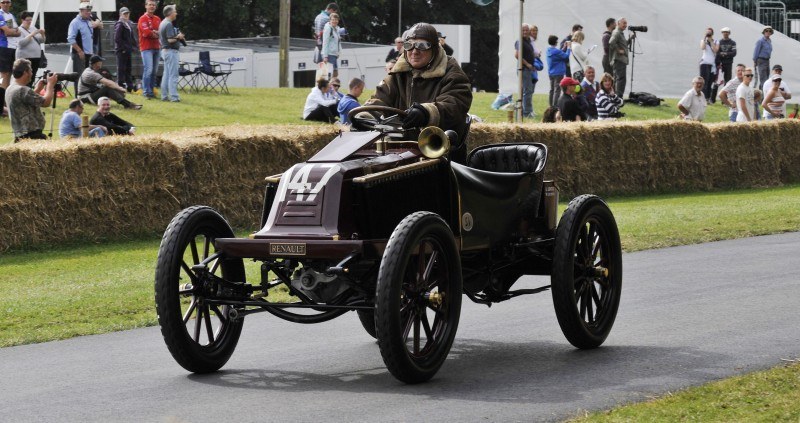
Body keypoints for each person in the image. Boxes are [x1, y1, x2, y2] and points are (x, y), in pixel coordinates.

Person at [365, 22, 472, 162]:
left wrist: (427, 112)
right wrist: (364, 117)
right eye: (409, 45)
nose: (415, 51)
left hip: (441, 155)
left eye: (422, 45)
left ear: (434, 48)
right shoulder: (398, 74)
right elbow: (379, 100)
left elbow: (455, 104)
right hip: (400, 154)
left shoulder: (451, 72)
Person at [5, 58, 56, 141]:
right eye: (31, 71)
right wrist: (50, 85)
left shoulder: (10, 88)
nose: (32, 74)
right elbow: (46, 102)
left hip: (20, 135)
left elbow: (24, 100)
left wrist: (38, 89)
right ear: (25, 72)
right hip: (32, 136)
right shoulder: (23, 90)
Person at [78, 55, 142, 109]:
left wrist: (118, 89)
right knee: (107, 88)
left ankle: (127, 103)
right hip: (85, 99)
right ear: (95, 64)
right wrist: (120, 88)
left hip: (88, 95)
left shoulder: (90, 70)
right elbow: (108, 83)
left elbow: (108, 82)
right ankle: (128, 105)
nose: (101, 64)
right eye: (100, 62)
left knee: (109, 88)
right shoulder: (91, 73)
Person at [67, 3, 97, 95]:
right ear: (81, 11)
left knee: (88, 75)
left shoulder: (89, 21)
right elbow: (70, 39)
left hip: (89, 53)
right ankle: (78, 96)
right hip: (79, 53)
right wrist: (79, 51)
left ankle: (86, 94)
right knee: (79, 75)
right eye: (87, 11)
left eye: (90, 10)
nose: (89, 12)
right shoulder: (75, 22)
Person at [159, 4, 184, 103]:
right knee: (173, 75)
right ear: (170, 13)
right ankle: (174, 97)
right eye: (175, 11)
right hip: (171, 51)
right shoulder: (168, 24)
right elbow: (170, 40)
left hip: (165, 51)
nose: (176, 13)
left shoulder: (162, 22)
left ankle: (164, 96)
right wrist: (179, 37)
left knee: (166, 75)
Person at [138, 0, 161, 99]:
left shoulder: (157, 18)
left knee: (154, 71)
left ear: (155, 7)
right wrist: (155, 33)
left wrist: (155, 33)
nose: (152, 6)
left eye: (153, 5)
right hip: (146, 48)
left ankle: (151, 91)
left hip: (157, 47)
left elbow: (161, 32)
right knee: (148, 70)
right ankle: (146, 91)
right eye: (150, 5)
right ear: (146, 6)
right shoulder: (142, 19)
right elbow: (146, 33)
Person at [0, 0, 21, 115]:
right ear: (0, 4)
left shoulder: (10, 15)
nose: (6, 4)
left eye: (8, 2)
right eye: (3, 2)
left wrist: (12, 31)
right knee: (4, 75)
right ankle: (2, 103)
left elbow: (18, 32)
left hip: (13, 47)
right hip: (4, 47)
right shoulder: (0, 14)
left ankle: (6, 102)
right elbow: (8, 32)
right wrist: (12, 31)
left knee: (11, 75)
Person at [15, 11, 45, 88]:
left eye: (30, 20)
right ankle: (23, 90)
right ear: (22, 20)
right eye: (27, 20)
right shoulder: (19, 30)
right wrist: (31, 35)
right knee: (24, 76)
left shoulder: (33, 28)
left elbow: (42, 40)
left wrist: (42, 33)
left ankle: (29, 90)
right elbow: (21, 43)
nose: (29, 22)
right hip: (25, 57)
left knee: (32, 76)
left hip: (36, 57)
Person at [515, 23, 536, 118]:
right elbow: (517, 55)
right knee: (527, 90)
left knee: (528, 90)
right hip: (523, 69)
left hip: (529, 69)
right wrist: (527, 64)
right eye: (523, 30)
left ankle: (527, 110)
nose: (525, 32)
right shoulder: (520, 41)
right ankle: (527, 113)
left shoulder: (528, 40)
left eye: (526, 30)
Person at [608, 17, 633, 99]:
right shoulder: (617, 32)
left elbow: (624, 44)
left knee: (618, 79)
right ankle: (619, 97)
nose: (625, 25)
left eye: (626, 23)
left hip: (620, 60)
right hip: (619, 59)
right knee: (621, 79)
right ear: (619, 23)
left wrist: (630, 39)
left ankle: (615, 97)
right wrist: (618, 50)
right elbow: (611, 42)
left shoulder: (620, 33)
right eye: (624, 23)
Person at [114, 7, 136, 92]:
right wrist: (123, 48)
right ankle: (120, 86)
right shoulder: (120, 24)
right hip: (122, 50)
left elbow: (131, 37)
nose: (126, 15)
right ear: (120, 14)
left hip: (128, 50)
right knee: (121, 69)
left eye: (127, 13)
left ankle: (129, 87)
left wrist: (134, 46)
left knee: (128, 68)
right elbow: (117, 38)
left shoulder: (128, 23)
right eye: (124, 14)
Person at [546, 34, 570, 106]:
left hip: (551, 73)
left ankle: (551, 105)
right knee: (557, 90)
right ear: (556, 42)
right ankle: (555, 105)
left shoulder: (548, 50)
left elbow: (559, 53)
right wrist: (568, 48)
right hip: (558, 72)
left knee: (552, 90)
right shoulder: (556, 51)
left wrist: (564, 47)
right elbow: (566, 56)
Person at [698, 28, 719, 103]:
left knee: (710, 81)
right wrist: (705, 39)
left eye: (709, 33)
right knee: (704, 81)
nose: (708, 34)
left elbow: (715, 50)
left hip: (712, 64)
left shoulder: (716, 41)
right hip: (704, 63)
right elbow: (702, 47)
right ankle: (702, 98)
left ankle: (707, 98)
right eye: (707, 33)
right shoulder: (703, 41)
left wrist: (711, 41)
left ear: (712, 34)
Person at [321, 12, 342, 79]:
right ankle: (328, 87)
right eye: (333, 19)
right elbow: (325, 42)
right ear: (330, 20)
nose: (334, 21)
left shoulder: (337, 29)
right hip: (329, 54)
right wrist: (325, 56)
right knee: (330, 73)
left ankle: (331, 87)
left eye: (336, 20)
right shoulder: (328, 29)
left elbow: (338, 42)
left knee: (335, 73)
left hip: (334, 54)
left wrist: (338, 52)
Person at [753, 26, 773, 90]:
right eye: (766, 31)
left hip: (767, 60)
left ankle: (761, 93)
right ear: (764, 32)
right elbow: (756, 51)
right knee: (763, 78)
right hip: (761, 60)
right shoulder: (760, 41)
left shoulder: (769, 41)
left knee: (766, 78)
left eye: (769, 31)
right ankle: (763, 96)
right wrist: (755, 61)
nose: (768, 32)